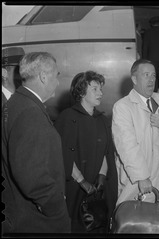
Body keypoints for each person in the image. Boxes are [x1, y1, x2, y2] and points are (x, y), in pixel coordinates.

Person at [1, 52, 71, 233]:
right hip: (38, 222)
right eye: (56, 75)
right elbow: (32, 176)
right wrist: (57, 210)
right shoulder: (30, 114)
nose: (57, 81)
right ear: (43, 76)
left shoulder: (17, 102)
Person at [112, 59, 159, 207]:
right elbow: (127, 146)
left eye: (154, 75)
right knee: (136, 222)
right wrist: (142, 177)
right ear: (134, 79)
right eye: (146, 75)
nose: (151, 79)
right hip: (138, 181)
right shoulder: (123, 107)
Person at [54, 71, 118, 233]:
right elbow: (63, 155)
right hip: (75, 188)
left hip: (98, 189)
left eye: (101, 89)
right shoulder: (68, 117)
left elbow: (106, 152)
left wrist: (102, 177)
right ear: (81, 92)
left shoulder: (102, 120)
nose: (101, 93)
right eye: (95, 89)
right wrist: (82, 181)